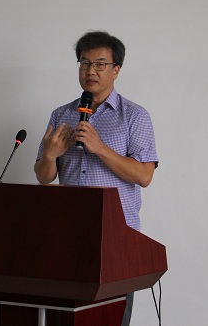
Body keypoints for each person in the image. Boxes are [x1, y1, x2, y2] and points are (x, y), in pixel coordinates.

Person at [34, 31, 159, 326]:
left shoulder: (135, 116)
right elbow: (43, 177)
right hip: (68, 235)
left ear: (116, 70)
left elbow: (144, 176)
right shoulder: (61, 115)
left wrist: (100, 148)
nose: (91, 71)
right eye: (85, 63)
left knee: (110, 319)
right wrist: (49, 156)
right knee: (66, 318)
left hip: (118, 240)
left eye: (100, 64)